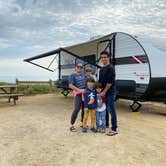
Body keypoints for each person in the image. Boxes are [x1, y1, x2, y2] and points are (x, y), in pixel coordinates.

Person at [99, 51, 118, 136]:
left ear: (108, 57)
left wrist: (104, 91)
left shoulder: (111, 68)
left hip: (110, 92)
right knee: (105, 109)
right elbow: (100, 82)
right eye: (102, 57)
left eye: (105, 57)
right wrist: (98, 90)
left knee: (111, 110)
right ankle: (106, 124)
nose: (103, 59)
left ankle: (114, 129)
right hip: (103, 92)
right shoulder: (102, 69)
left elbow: (110, 83)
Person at [69, 63, 86, 132]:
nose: (79, 68)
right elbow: (70, 85)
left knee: (85, 109)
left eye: (81, 67)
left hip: (85, 94)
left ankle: (83, 123)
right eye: (78, 67)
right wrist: (79, 90)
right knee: (76, 109)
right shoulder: (72, 75)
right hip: (78, 94)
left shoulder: (84, 75)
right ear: (75, 67)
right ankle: (72, 125)